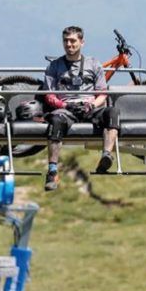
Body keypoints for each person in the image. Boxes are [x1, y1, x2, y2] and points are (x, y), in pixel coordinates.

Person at [42, 26, 120, 191]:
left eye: (73, 41)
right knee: (56, 121)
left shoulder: (94, 64)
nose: (69, 45)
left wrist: (92, 104)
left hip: (89, 106)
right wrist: (64, 105)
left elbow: (102, 93)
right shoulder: (54, 66)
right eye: (66, 41)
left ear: (81, 42)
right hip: (66, 108)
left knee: (112, 112)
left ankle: (106, 155)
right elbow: (49, 95)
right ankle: (52, 170)